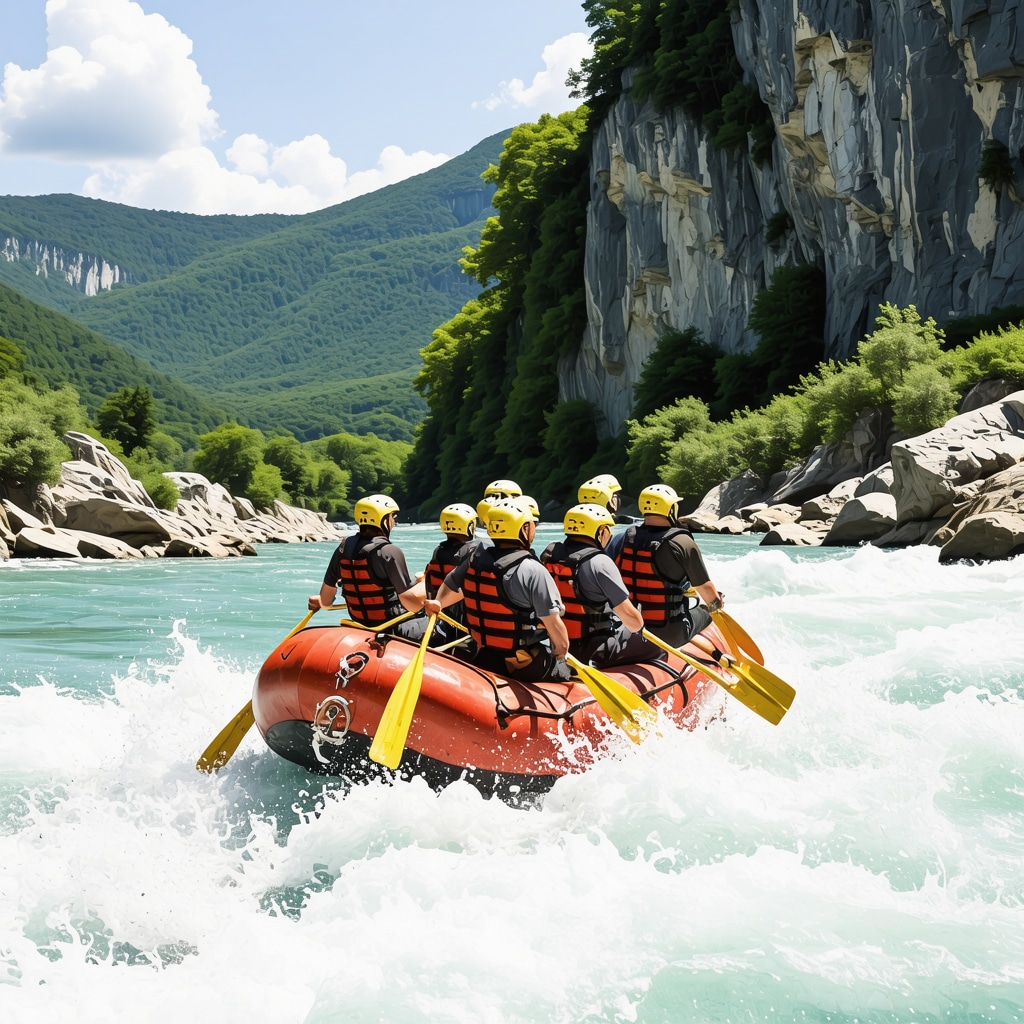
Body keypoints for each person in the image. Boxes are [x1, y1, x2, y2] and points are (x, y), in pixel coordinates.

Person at [423, 496, 572, 683]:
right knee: (569, 673)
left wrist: (438, 603)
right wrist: (561, 654)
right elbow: (555, 626)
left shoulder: (474, 560)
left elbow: (450, 584)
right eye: (532, 525)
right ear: (524, 528)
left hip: (487, 657)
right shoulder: (533, 569)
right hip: (525, 663)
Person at [540, 503, 662, 669]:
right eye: (607, 529)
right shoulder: (600, 562)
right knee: (657, 646)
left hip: (558, 645)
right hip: (594, 650)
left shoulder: (549, 555)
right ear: (600, 531)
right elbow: (634, 622)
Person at [613, 483, 725, 649]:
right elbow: (707, 591)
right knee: (706, 611)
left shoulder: (627, 537)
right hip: (670, 634)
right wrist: (717, 603)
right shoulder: (682, 542)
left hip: (629, 631)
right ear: (670, 509)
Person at [309, 493, 427, 641]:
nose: (394, 522)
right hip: (394, 627)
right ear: (383, 519)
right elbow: (412, 605)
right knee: (441, 628)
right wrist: (424, 584)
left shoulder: (343, 547)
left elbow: (325, 602)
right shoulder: (389, 551)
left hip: (360, 625)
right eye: (392, 518)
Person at [423, 502, 489, 652]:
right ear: (470, 525)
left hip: (443, 620)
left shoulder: (438, 551)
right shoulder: (476, 549)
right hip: (466, 624)